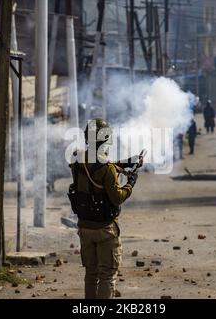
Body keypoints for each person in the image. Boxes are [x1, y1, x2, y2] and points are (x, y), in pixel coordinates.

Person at [69, 118, 142, 299]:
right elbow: (117, 198)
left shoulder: (77, 159)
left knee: (91, 275)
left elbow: (97, 165)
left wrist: (126, 162)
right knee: (107, 276)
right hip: (105, 229)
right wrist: (130, 184)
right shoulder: (107, 169)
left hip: (84, 227)